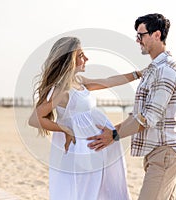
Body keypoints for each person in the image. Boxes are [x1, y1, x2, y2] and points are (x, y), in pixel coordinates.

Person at [87, 13, 176, 200]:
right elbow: (138, 115)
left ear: (157, 35)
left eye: (141, 35)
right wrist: (110, 132)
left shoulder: (166, 71)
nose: (137, 40)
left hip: (165, 153)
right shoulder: (153, 70)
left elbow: (147, 118)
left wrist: (114, 135)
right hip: (156, 153)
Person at [28, 36, 142, 200]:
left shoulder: (79, 81)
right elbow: (35, 119)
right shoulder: (61, 89)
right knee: (84, 192)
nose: (86, 58)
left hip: (96, 144)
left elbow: (108, 81)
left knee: (102, 190)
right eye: (81, 55)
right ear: (69, 60)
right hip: (80, 149)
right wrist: (64, 129)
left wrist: (138, 74)